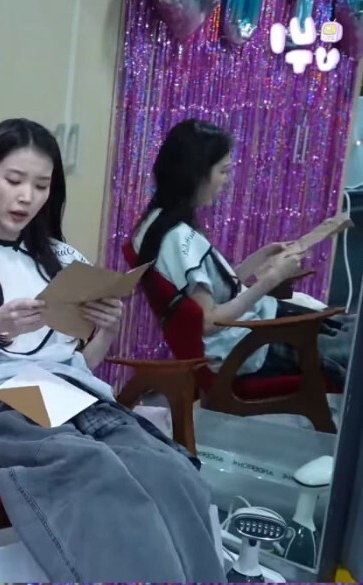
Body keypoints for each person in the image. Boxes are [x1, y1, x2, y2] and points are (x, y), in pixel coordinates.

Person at [0, 118, 224, 584]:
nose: (26, 197)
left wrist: (106, 329)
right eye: (14, 180)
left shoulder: (62, 260)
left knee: (169, 469)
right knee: (94, 468)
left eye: (41, 186)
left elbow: (79, 364)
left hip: (70, 396)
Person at [133, 118, 352, 388]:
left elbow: (210, 293)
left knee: (347, 328)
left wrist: (258, 258)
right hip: (246, 347)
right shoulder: (178, 239)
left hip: (251, 328)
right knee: (351, 348)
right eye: (223, 171)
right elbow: (209, 321)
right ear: (196, 174)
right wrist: (271, 280)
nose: (226, 181)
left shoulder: (154, 224)